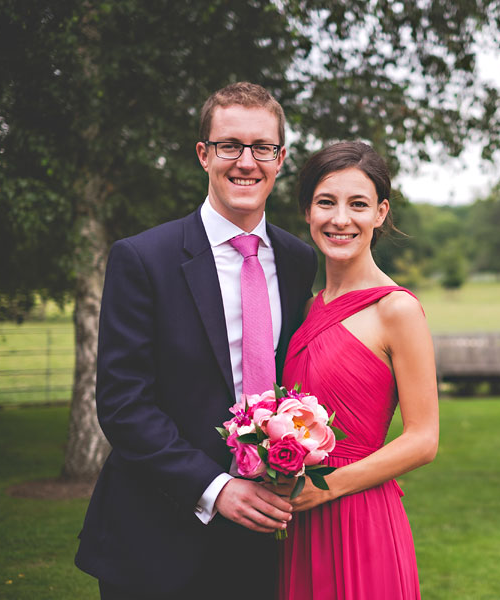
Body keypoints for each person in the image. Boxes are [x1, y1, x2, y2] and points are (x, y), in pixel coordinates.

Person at [75, 82, 318, 599]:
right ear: (204, 154)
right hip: (155, 537)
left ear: (280, 159)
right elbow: (123, 405)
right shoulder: (143, 258)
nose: (246, 162)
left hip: (261, 542)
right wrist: (217, 488)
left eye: (262, 148)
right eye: (230, 145)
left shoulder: (299, 260)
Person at [277, 141, 439, 599]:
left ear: (381, 213)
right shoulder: (307, 309)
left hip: (360, 513)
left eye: (358, 204)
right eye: (326, 202)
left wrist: (325, 486)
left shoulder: (397, 310)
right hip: (301, 519)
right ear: (307, 211)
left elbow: (423, 440)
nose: (340, 219)